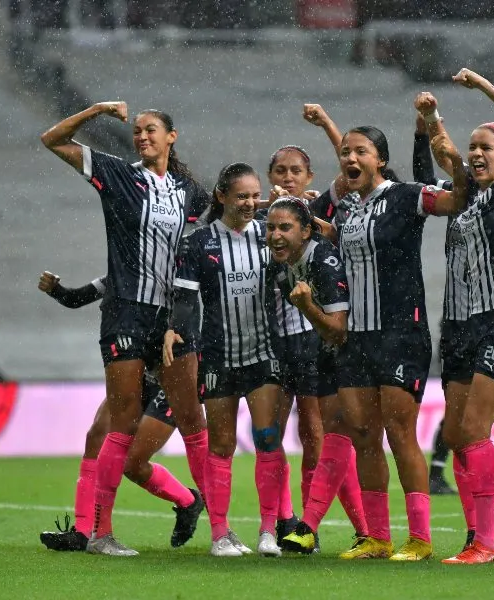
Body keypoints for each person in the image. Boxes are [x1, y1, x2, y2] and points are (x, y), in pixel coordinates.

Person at [40, 102, 210, 556]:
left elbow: (201, 251)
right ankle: (98, 533)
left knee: (190, 420)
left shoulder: (190, 192)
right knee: (117, 424)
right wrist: (95, 112)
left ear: (172, 136)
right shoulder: (118, 174)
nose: (141, 137)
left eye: (150, 130)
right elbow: (52, 140)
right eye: (137, 131)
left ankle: (217, 523)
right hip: (127, 314)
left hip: (174, 320)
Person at [302, 108, 468, 560]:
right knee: (363, 435)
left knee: (399, 433)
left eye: (360, 151)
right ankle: (377, 537)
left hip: (401, 333)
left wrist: (443, 146)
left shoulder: (405, 196)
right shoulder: (348, 211)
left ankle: (419, 539)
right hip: (356, 338)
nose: (349, 158)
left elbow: (455, 201)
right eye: (345, 152)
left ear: (380, 160)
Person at [409, 70, 494, 565]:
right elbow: (438, 161)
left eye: (487, 146)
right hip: (460, 326)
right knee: (469, 437)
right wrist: (430, 120)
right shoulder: (464, 199)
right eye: (473, 146)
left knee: (473, 432)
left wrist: (483, 87)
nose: (476, 153)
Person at [164, 163, 286, 558]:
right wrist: (174, 328)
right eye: (242, 196)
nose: (252, 202)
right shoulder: (200, 243)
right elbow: (185, 296)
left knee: (269, 442)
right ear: (221, 197)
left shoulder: (271, 235)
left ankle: (269, 531)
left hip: (264, 355)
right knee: (221, 446)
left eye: (256, 195)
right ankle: (221, 534)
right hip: (218, 358)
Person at [34, 272, 204, 552]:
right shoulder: (121, 272)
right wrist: (55, 289)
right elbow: (77, 298)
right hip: (139, 372)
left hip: (170, 378)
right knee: (96, 436)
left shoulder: (173, 273)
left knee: (133, 464)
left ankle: (189, 501)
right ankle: (82, 531)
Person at [264, 145, 368, 550]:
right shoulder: (272, 225)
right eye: (279, 169)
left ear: (310, 176)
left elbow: (358, 165)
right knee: (275, 436)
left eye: (296, 170)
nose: (288, 176)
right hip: (279, 346)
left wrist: (325, 123)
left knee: (321, 437)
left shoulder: (319, 228)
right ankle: (290, 523)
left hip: (319, 341)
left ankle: (315, 526)